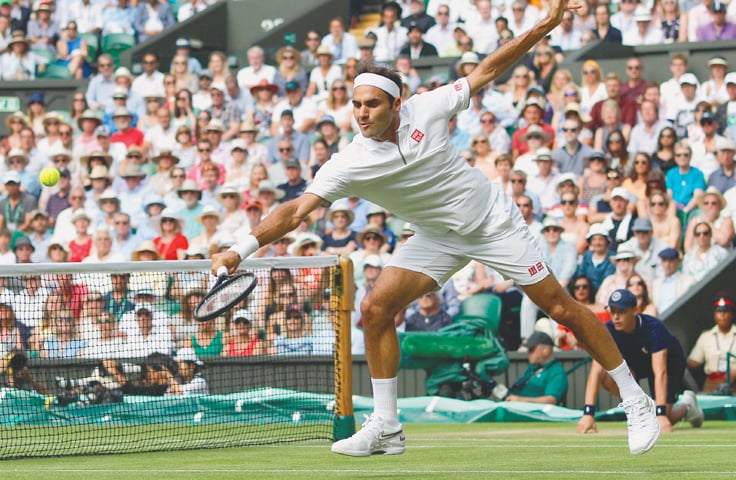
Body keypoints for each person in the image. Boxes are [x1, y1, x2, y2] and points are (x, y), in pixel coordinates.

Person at [213, 0, 660, 457]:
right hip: (437, 236)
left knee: (561, 310)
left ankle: (634, 398)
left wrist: (544, 25)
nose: (362, 114)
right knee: (375, 307)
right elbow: (294, 212)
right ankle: (387, 426)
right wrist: (240, 249)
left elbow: (488, 69)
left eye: (371, 104)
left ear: (396, 103)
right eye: (356, 105)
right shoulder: (349, 162)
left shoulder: (427, 108)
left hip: (491, 222)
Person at [577, 289, 704, 435]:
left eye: (622, 311)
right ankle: (643, 407)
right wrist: (588, 413)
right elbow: (595, 372)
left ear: (635, 310)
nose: (616, 317)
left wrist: (661, 414)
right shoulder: (609, 331)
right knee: (606, 376)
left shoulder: (653, 328)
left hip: (670, 365)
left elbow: (660, 372)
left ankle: (687, 406)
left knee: (661, 419)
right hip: (636, 365)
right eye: (612, 311)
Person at [687, 293, 736, 393]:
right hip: (712, 383)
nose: (722, 315)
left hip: (733, 383)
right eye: (719, 311)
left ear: (732, 314)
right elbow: (693, 362)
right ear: (714, 314)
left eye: (726, 311)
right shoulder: (706, 336)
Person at [504, 331, 568, 405]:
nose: (528, 353)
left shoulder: (556, 372)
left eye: (532, 349)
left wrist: (520, 400)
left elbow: (551, 400)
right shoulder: (532, 369)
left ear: (546, 350)